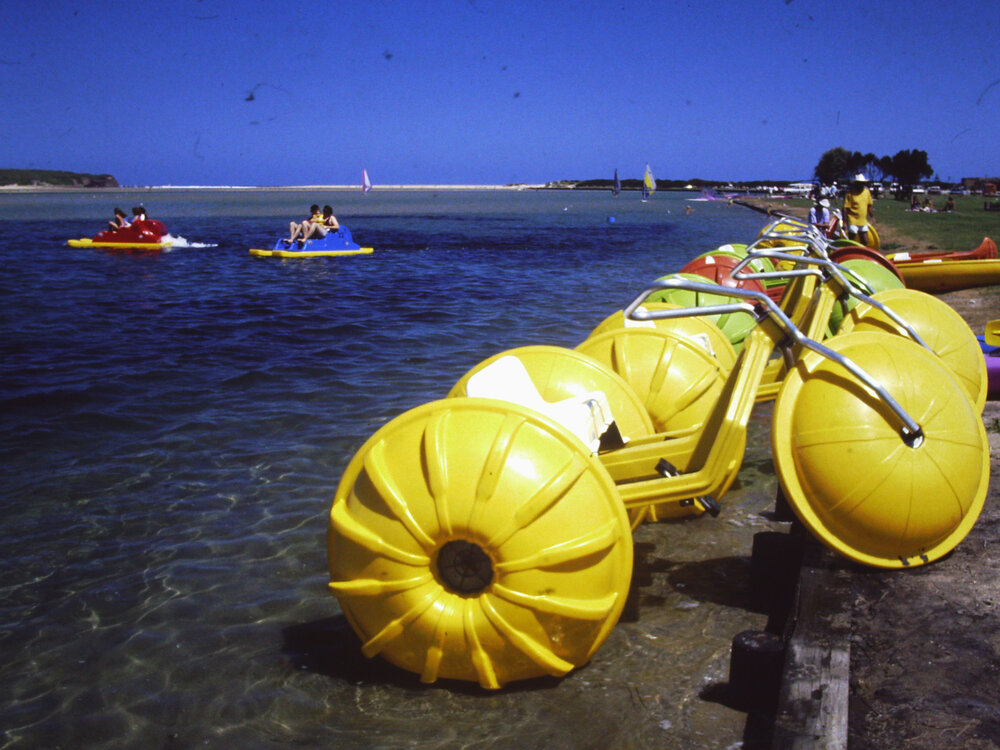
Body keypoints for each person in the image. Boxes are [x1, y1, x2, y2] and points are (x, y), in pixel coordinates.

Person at [842, 174, 874, 246]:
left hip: (863, 220)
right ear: (856, 183)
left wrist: (872, 216)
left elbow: (869, 205)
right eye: (859, 183)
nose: (861, 185)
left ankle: (862, 255)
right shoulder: (850, 193)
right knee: (852, 241)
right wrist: (844, 222)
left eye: (862, 183)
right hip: (852, 219)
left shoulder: (866, 192)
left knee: (865, 241)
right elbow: (845, 209)